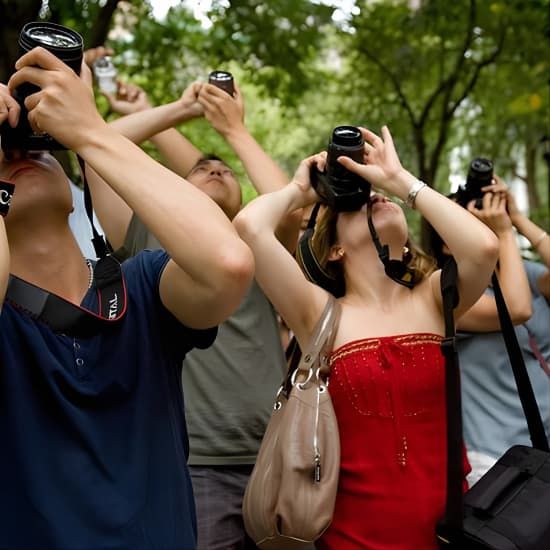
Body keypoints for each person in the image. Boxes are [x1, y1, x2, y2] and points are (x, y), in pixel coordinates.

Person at [0, 45, 253, 550]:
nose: (20, 152)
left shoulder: (140, 287)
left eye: (38, 148)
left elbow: (228, 263)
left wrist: (89, 130)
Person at [233, 125, 500, 550]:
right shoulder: (317, 313)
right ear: (335, 248)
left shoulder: (433, 297)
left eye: (384, 195)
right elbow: (249, 227)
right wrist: (301, 190)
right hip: (352, 536)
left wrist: (400, 181)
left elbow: (484, 247)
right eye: (358, 201)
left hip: (447, 532)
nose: (375, 196)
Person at [84, 75, 297, 549]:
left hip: (278, 457)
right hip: (192, 460)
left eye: (227, 171)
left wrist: (234, 131)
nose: (217, 169)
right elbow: (92, 146)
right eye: (201, 169)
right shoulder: (145, 231)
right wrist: (179, 109)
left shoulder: (256, 238)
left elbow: (294, 208)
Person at [429, 180, 550, 484]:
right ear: (446, 242)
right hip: (500, 456)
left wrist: (518, 219)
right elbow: (517, 310)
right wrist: (504, 234)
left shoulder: (524, 273)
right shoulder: (445, 294)